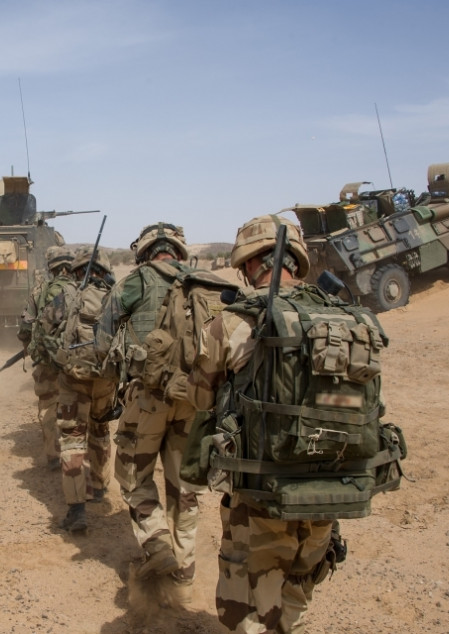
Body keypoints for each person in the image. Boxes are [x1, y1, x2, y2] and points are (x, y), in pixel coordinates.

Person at [184, 214, 399, 632]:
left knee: (246, 602)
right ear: (296, 261)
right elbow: (375, 405)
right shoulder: (348, 318)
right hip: (334, 484)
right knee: (296, 587)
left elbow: (199, 398)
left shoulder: (235, 321)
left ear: (249, 263)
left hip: (263, 490)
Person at [93, 222, 203, 589]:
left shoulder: (136, 281)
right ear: (179, 250)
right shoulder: (204, 282)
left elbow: (102, 335)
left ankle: (156, 542)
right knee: (184, 488)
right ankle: (183, 572)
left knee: (132, 476)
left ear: (143, 252)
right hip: (192, 400)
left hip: (146, 397)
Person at [51, 249, 117, 533]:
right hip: (105, 381)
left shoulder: (65, 296)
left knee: (72, 441)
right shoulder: (117, 297)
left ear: (77, 271)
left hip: (72, 381)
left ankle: (77, 509)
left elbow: (46, 331)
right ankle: (100, 487)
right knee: (101, 431)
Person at [18, 245, 74, 470]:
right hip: (76, 360)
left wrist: (27, 346)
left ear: (50, 267)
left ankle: (53, 454)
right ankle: (78, 451)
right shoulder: (81, 288)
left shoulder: (39, 291)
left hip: (46, 360)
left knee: (49, 404)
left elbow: (25, 326)